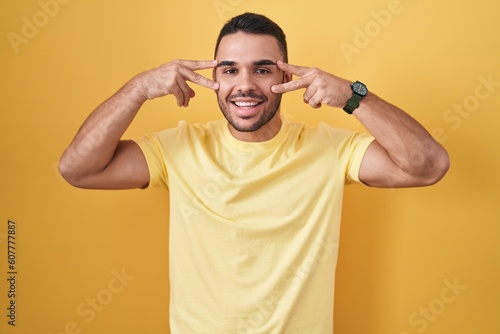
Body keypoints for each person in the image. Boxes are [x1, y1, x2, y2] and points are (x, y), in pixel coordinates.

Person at [59, 12, 449, 334]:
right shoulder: (177, 149)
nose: (244, 85)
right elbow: (77, 169)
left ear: (285, 79)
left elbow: (429, 166)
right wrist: (139, 88)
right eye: (229, 70)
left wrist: (353, 95)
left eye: (262, 70)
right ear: (214, 79)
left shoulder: (331, 149)